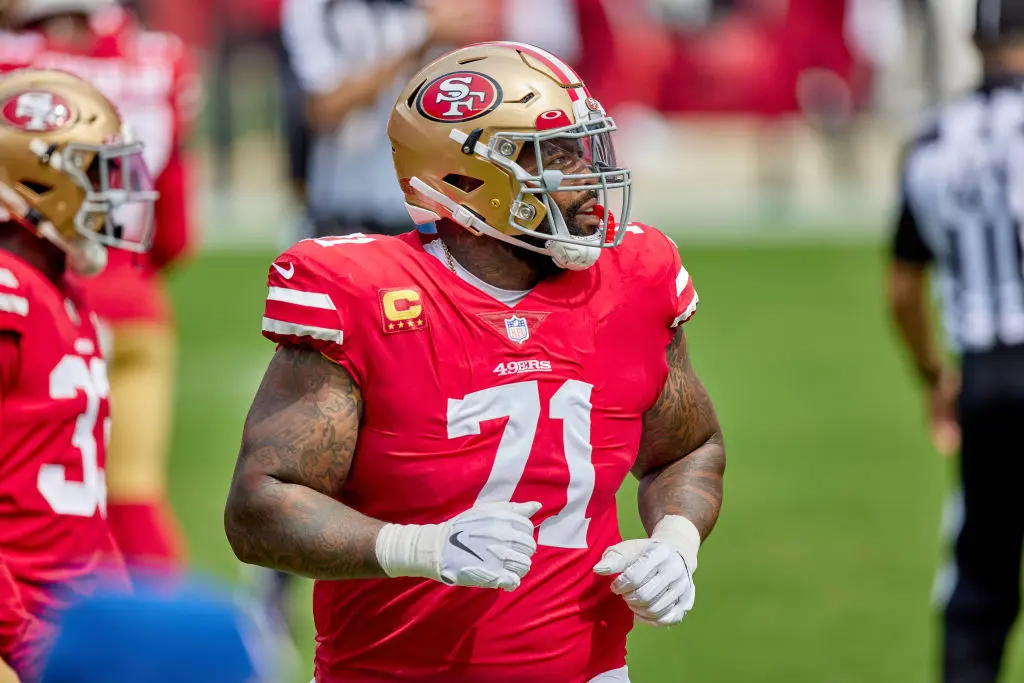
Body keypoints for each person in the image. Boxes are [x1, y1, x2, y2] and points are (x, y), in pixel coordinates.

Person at [225, 41, 726, 683]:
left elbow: (688, 447)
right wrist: (418, 548)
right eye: (557, 157)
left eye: (587, 148)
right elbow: (259, 507)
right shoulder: (367, 295)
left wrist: (676, 542)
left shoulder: (633, 279)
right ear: (468, 179)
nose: (590, 180)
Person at [0, 0, 200, 574]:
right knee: (132, 497)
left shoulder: (16, 60)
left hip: (48, 292)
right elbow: (177, 233)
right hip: (130, 298)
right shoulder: (159, 57)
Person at [0, 67, 157, 683]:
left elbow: (84, 514)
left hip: (70, 618)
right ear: (40, 181)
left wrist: (117, 614)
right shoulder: (9, 294)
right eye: (97, 174)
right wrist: (26, 640)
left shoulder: (63, 295)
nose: (116, 195)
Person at [888, 2, 1024, 681]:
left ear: (975, 39)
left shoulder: (936, 140)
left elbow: (902, 290)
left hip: (985, 374)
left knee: (979, 578)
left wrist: (933, 375)